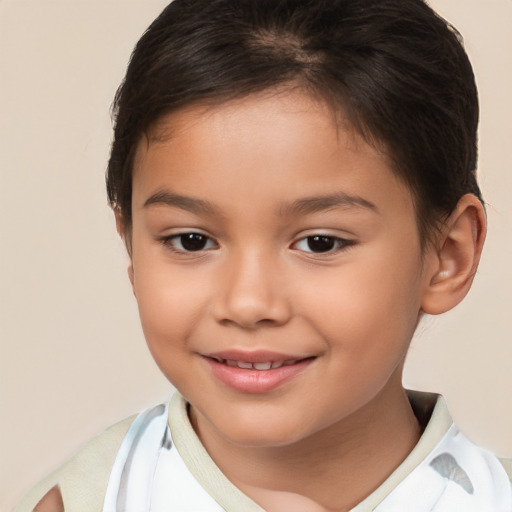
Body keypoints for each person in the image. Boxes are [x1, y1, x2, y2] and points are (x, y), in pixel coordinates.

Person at [14, 0, 512, 510]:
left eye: (320, 242)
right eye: (191, 241)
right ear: (132, 247)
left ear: (448, 256)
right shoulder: (83, 500)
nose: (248, 303)